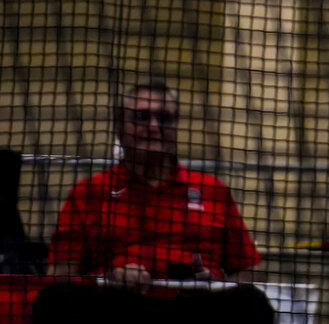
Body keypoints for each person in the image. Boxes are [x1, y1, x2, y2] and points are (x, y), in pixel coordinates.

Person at [31, 79, 274, 324]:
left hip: (195, 310)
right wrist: (108, 278)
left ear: (176, 128)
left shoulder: (213, 190)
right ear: (119, 128)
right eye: (141, 117)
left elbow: (250, 272)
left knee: (251, 302)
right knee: (56, 298)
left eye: (164, 118)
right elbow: (59, 275)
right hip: (116, 309)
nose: (154, 126)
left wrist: (216, 284)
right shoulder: (88, 193)